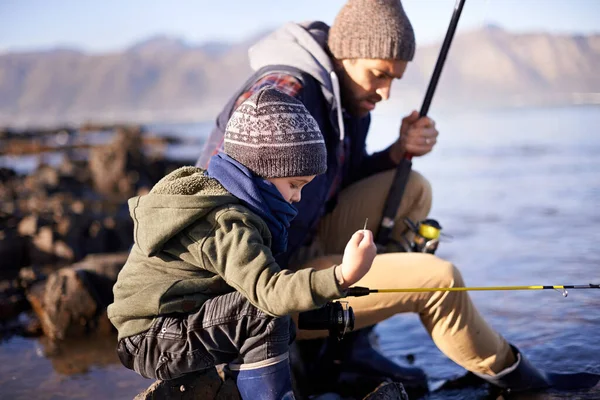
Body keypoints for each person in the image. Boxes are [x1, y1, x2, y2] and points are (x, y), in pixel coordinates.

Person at [196, 0, 569, 396]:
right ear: (343, 54)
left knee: (413, 187)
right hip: (263, 283)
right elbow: (221, 195)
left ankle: (351, 346)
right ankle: (526, 381)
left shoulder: (345, 103)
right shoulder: (281, 95)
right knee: (439, 281)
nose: (386, 93)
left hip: (301, 243)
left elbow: (333, 183)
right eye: (378, 75)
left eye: (394, 79)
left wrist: (397, 152)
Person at [107, 87, 378, 400]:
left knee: (276, 319)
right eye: (294, 184)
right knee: (264, 309)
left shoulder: (227, 201)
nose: (297, 197)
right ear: (261, 172)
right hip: (151, 340)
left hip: (168, 328)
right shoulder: (225, 222)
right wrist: (342, 275)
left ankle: (243, 390)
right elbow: (267, 292)